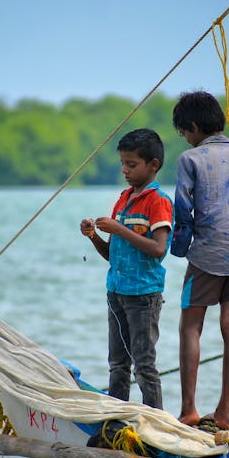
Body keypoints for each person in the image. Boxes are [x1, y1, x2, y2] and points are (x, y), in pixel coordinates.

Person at [171, 90, 229, 430]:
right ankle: (224, 413)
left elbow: (183, 212)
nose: (186, 139)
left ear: (193, 127)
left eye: (184, 133)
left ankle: (189, 409)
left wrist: (177, 250)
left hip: (206, 255)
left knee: (190, 325)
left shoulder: (190, 160)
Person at [80, 128, 173, 410]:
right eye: (123, 163)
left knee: (144, 364)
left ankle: (155, 421)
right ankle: (117, 419)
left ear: (153, 165)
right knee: (117, 363)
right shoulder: (124, 199)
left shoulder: (159, 202)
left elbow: (158, 249)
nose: (125, 170)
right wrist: (94, 236)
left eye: (132, 164)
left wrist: (119, 228)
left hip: (143, 296)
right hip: (116, 292)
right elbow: (113, 255)